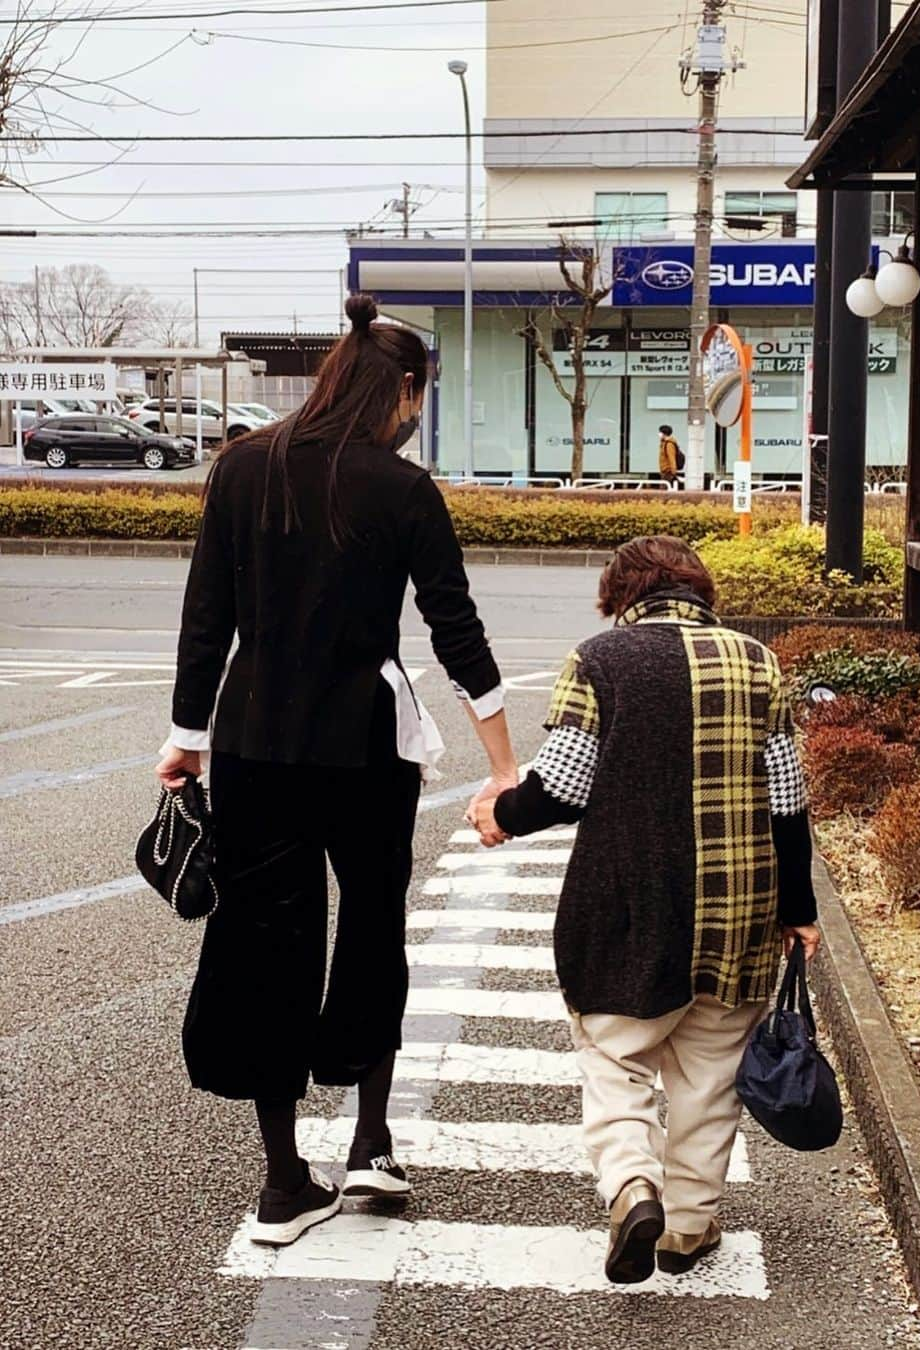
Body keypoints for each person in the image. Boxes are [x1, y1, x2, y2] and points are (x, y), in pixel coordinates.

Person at [155, 293, 517, 1248]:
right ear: (402, 387)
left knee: (264, 947)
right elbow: (455, 628)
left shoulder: (242, 469)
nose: (415, 415)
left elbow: (208, 618)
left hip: (254, 741)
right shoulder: (401, 488)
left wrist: (185, 735)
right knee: (369, 934)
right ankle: (369, 1145)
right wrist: (503, 761)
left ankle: (283, 1185)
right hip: (365, 747)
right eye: (419, 397)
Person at [471, 535, 819, 1285]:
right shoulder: (758, 662)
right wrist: (800, 909)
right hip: (740, 905)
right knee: (709, 1074)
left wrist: (503, 810)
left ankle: (633, 1186)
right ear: (701, 591)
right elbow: (787, 801)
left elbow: (562, 786)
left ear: (618, 596)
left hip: (630, 902)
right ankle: (688, 1230)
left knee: (615, 1056)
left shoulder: (601, 660)